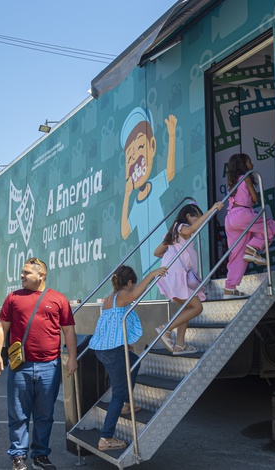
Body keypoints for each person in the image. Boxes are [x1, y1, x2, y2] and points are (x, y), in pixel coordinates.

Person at [0, 257, 78, 470]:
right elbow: (2, 327)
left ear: (42, 275)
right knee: (18, 413)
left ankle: (40, 456)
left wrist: (72, 358)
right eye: (22, 273)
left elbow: (68, 331)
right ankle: (18, 456)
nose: (22, 276)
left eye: (26, 273)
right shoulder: (13, 298)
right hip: (20, 366)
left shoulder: (58, 299)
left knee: (45, 415)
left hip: (50, 366)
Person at [89, 265, 167, 451]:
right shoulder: (123, 296)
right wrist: (153, 274)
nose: (134, 286)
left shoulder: (109, 299)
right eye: (134, 283)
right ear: (130, 282)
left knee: (134, 361)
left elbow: (111, 325)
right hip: (113, 352)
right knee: (117, 393)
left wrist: (124, 341)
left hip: (106, 349)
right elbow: (135, 295)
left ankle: (125, 402)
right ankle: (106, 438)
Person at [154, 202, 223, 353]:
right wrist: (212, 209)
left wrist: (171, 255)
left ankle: (180, 345)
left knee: (186, 308)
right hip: (177, 275)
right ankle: (165, 329)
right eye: (196, 217)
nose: (197, 221)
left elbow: (157, 252)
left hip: (172, 274)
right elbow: (192, 228)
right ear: (188, 216)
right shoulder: (180, 227)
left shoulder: (173, 235)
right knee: (197, 307)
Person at [120, 107, 179, 272]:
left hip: (164, 257)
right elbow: (125, 231)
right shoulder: (136, 204)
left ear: (152, 146)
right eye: (130, 157)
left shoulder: (154, 185)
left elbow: (170, 172)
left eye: (140, 148)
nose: (135, 159)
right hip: (148, 267)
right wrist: (127, 196)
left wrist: (172, 136)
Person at [223, 153, 275, 296]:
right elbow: (255, 198)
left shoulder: (232, 182)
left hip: (230, 218)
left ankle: (229, 288)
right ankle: (253, 248)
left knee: (236, 254)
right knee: (270, 225)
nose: (252, 165)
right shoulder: (246, 177)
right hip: (243, 213)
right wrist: (253, 198)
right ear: (243, 165)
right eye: (249, 162)